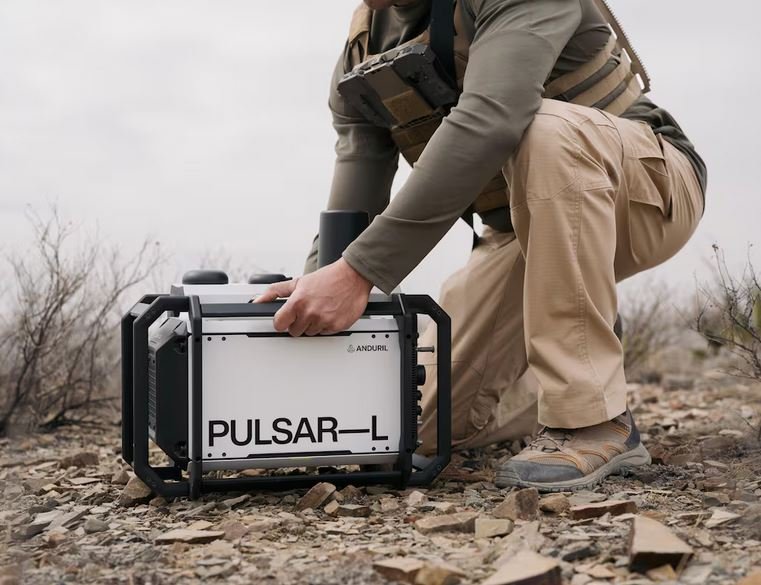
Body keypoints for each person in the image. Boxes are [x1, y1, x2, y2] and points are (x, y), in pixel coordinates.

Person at [255, 0, 707, 492]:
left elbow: (491, 118)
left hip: (645, 188)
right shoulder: (364, 46)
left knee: (544, 129)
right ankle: (556, 380)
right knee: (406, 424)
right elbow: (354, 202)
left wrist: (359, 273)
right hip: (517, 228)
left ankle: (592, 418)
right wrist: (313, 310)